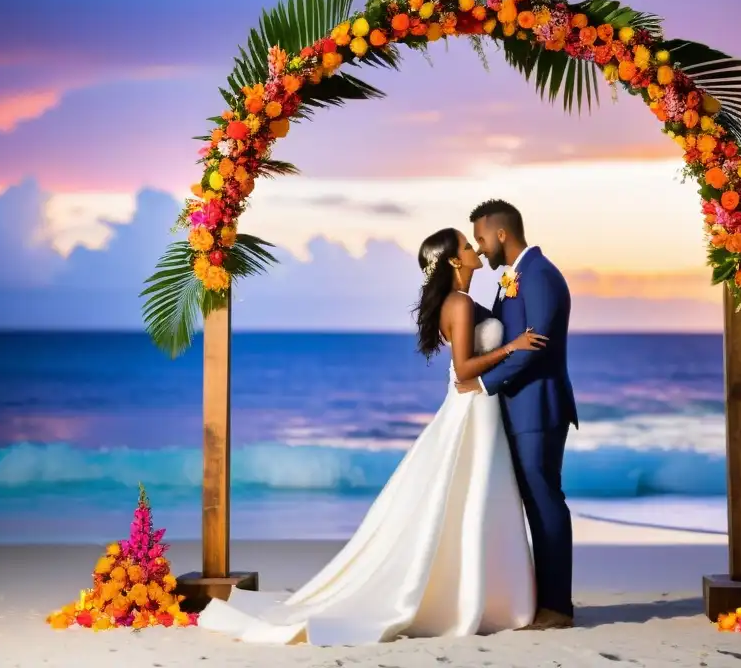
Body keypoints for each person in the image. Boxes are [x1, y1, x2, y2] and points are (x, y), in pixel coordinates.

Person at [197, 227, 548, 645]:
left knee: (475, 501)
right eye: (468, 247)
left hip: (480, 410)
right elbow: (465, 371)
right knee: (470, 498)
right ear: (455, 261)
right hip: (473, 408)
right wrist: (514, 347)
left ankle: (484, 595)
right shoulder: (459, 303)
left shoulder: (461, 302)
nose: (474, 251)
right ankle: (477, 597)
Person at [456, 198, 578, 630]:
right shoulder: (514, 278)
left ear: (501, 233)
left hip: (538, 406)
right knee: (531, 500)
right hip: (519, 406)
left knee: (545, 502)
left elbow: (537, 343)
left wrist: (483, 382)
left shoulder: (540, 275)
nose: (481, 246)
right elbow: (505, 335)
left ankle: (557, 607)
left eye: (481, 238)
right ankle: (538, 600)